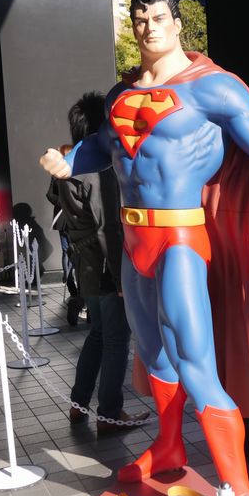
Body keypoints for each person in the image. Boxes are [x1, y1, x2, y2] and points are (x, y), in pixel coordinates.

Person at [40, 0, 249, 496]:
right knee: (153, 352)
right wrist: (69, 160)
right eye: (140, 20)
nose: (149, 27)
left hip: (180, 237)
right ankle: (169, 445)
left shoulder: (212, 87)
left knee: (195, 362)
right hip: (132, 241)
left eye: (159, 18)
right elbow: (103, 148)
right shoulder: (121, 93)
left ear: (179, 25)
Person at [54, 92, 149, 434]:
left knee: (97, 335)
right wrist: (124, 280)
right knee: (116, 341)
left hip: (87, 266)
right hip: (109, 268)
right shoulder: (99, 168)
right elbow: (108, 226)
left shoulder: (71, 166)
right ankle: (110, 412)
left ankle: (78, 405)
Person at [46, 144, 83, 326]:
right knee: (68, 252)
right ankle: (72, 287)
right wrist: (63, 202)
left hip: (75, 220)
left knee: (74, 254)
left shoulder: (75, 173)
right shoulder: (59, 174)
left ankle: (77, 291)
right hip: (66, 220)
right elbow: (50, 195)